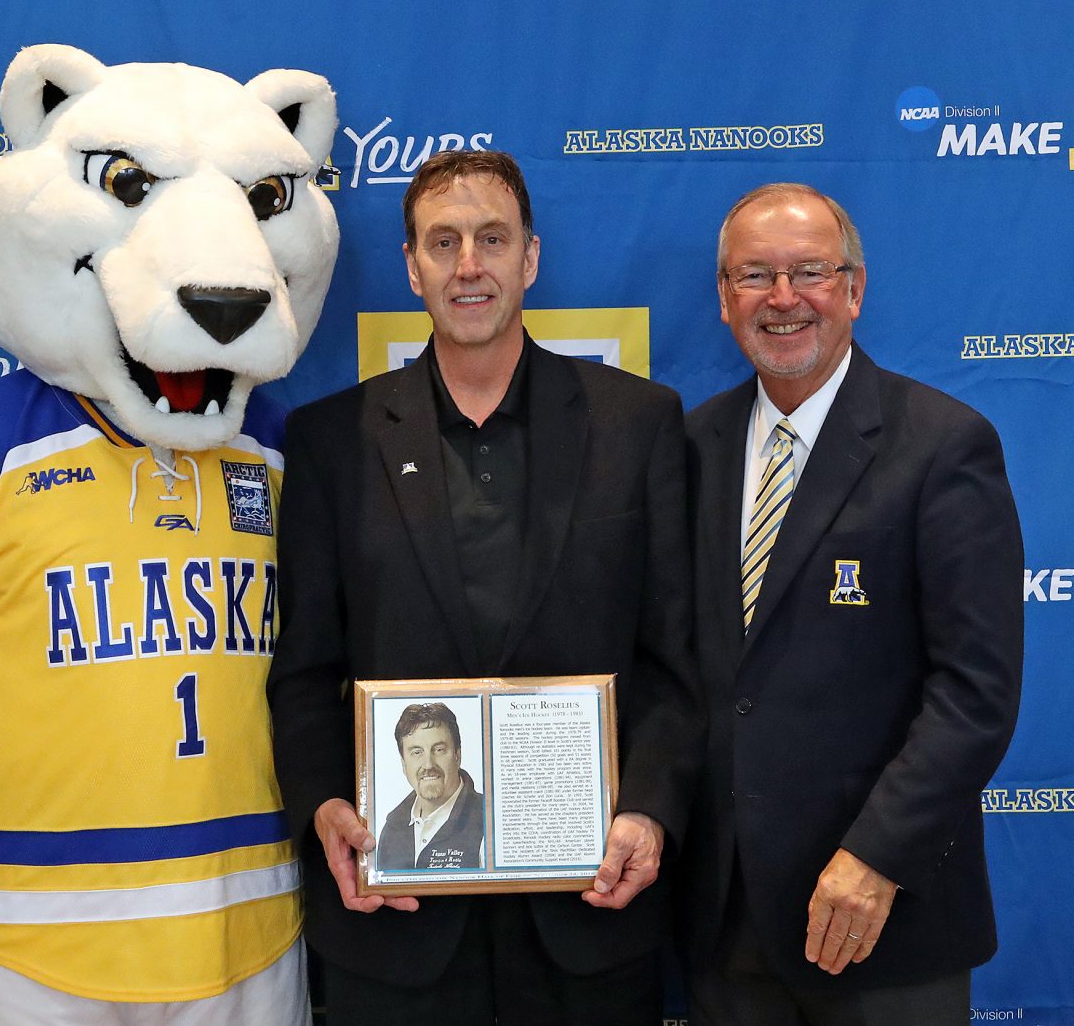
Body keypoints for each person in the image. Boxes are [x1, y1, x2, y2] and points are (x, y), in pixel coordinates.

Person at [266, 149, 700, 1026]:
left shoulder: (639, 424)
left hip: (590, 919)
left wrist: (651, 812)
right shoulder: (330, 442)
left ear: (530, 259)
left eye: (492, 239)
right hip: (395, 931)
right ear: (412, 266)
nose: (469, 265)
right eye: (444, 241)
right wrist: (326, 808)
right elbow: (305, 674)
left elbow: (676, 664)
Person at [680, 182, 1023, 1025]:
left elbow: (974, 694)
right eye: (755, 275)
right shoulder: (690, 449)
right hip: (728, 927)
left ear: (855, 289)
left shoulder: (945, 446)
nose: (784, 297)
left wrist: (875, 857)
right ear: (725, 301)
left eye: (810, 272)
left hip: (885, 920)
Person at [376, 702, 484, 871]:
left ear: (457, 755)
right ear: (404, 764)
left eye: (439, 750)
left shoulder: (488, 821)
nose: (428, 764)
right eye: (417, 752)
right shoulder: (391, 827)